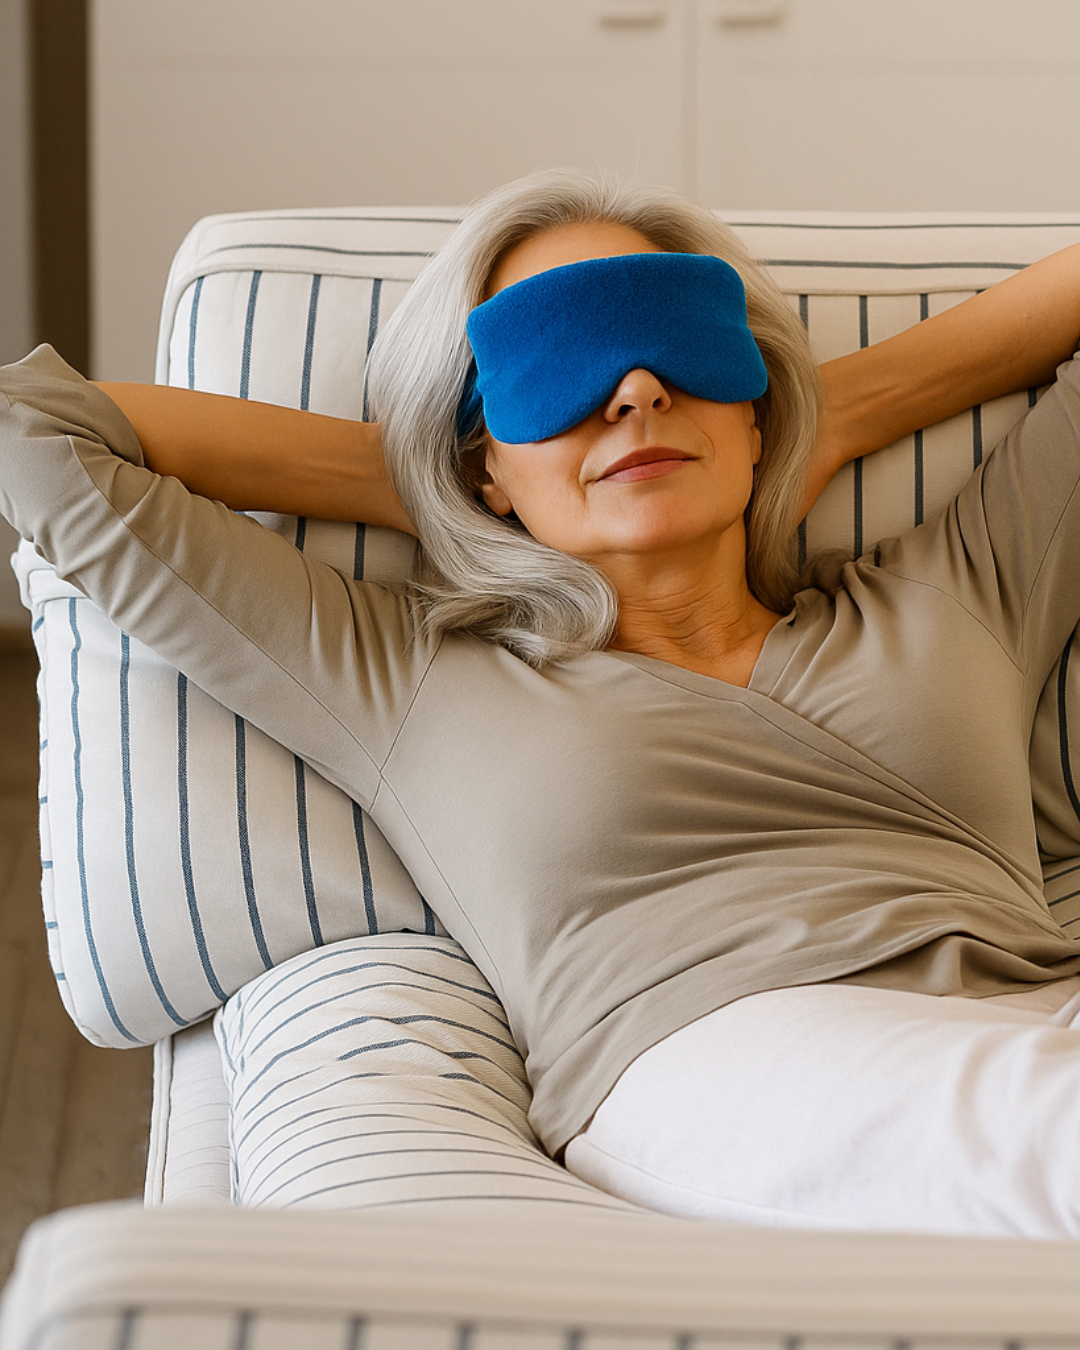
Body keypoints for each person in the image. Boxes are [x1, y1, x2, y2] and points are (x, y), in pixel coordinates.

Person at [4, 170, 1080, 1239]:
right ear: (483, 461)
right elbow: (30, 429)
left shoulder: (957, 594)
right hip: (712, 1054)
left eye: (681, 345)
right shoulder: (411, 678)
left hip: (1035, 1013)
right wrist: (418, 477)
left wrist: (839, 410)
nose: (637, 392)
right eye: (552, 366)